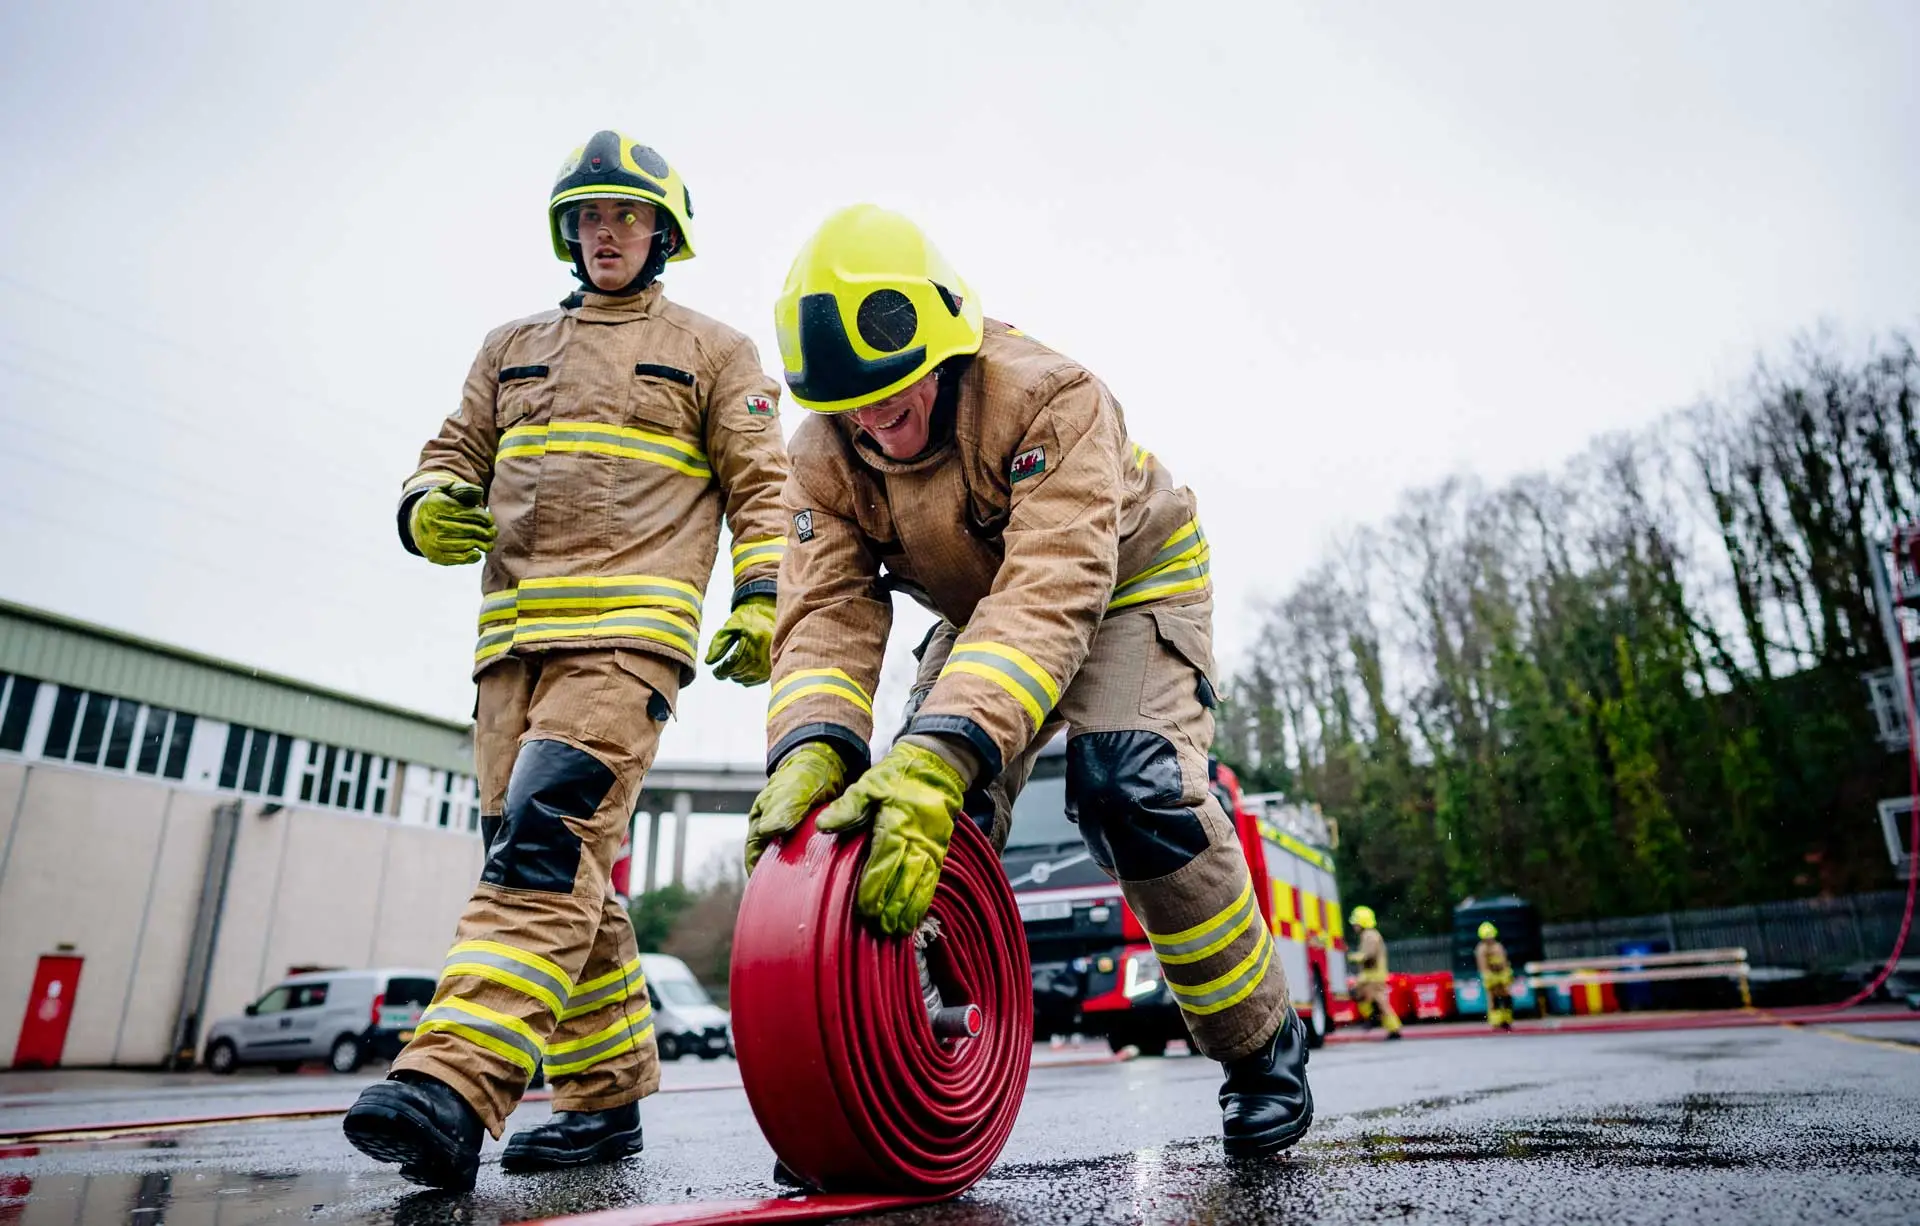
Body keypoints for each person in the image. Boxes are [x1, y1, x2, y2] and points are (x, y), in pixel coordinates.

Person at [741, 204, 1312, 1160]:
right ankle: (883, 1066)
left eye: (895, 388)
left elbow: (1053, 593)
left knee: (1129, 791)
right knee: (907, 820)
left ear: (948, 340)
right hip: (985, 610)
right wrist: (812, 749)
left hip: (1128, 585)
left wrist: (942, 747)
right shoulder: (820, 460)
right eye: (850, 407)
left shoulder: (1054, 397)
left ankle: (1260, 1048)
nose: (876, 421)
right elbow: (826, 619)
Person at [342, 130, 791, 1192]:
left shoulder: (716, 352)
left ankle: (451, 1083)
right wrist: (424, 507)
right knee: (556, 870)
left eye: (629, 214)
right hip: (507, 653)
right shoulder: (508, 347)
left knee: (541, 845)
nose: (607, 232)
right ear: (567, 228)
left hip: (624, 646)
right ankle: (602, 1103)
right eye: (590, 214)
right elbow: (448, 454)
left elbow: (767, 488)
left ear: (665, 231)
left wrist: (765, 596)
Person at [1347, 905, 1403, 1040]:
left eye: (1356, 923)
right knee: (1364, 997)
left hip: (1373, 976)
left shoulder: (1370, 936)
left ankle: (1387, 1025)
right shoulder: (1368, 935)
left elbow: (1367, 955)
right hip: (1369, 976)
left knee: (1378, 1002)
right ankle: (1375, 1018)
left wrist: (1351, 957)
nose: (1354, 926)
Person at [1475, 921, 1515, 1031]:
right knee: (1493, 999)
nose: (1489, 939)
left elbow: (1504, 962)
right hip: (1491, 977)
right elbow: (1482, 965)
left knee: (1506, 997)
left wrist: (1507, 975)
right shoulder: (1481, 949)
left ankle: (1506, 1020)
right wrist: (1488, 977)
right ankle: (1496, 1022)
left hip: (1501, 975)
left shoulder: (1498, 946)